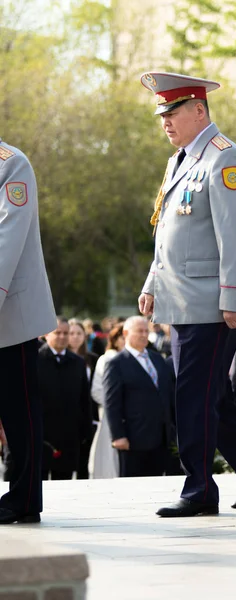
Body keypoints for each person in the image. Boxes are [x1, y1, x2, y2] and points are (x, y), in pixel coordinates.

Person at [138, 71, 236, 517]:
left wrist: (235, 299)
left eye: (173, 111)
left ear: (199, 110)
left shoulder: (225, 159)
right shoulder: (181, 161)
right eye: (162, 113)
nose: (165, 121)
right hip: (182, 300)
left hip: (212, 305)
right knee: (212, 399)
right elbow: (169, 233)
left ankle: (200, 490)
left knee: (192, 397)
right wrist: (151, 284)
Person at [0, 139, 57, 524]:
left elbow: (7, 237)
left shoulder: (10, 164)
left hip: (10, 314)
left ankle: (24, 497)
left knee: (18, 410)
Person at [103, 316, 174, 477]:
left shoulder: (157, 359)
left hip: (161, 436)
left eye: (146, 331)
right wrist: (118, 436)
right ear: (126, 333)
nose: (144, 335)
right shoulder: (116, 363)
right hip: (133, 438)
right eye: (139, 331)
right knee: (134, 485)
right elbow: (112, 403)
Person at [39, 317, 92, 480]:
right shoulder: (35, 359)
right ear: (46, 334)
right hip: (42, 435)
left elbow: (84, 398)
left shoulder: (77, 362)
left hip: (68, 434)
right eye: (58, 332)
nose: (62, 337)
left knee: (64, 482)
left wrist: (86, 430)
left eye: (66, 333)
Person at [91, 323, 125, 479]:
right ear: (115, 339)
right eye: (122, 336)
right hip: (111, 416)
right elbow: (97, 391)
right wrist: (117, 405)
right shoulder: (107, 359)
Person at [68, 318, 100, 479]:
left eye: (79, 333)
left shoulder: (93, 358)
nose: (75, 337)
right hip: (67, 415)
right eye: (71, 333)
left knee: (84, 461)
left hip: (89, 415)